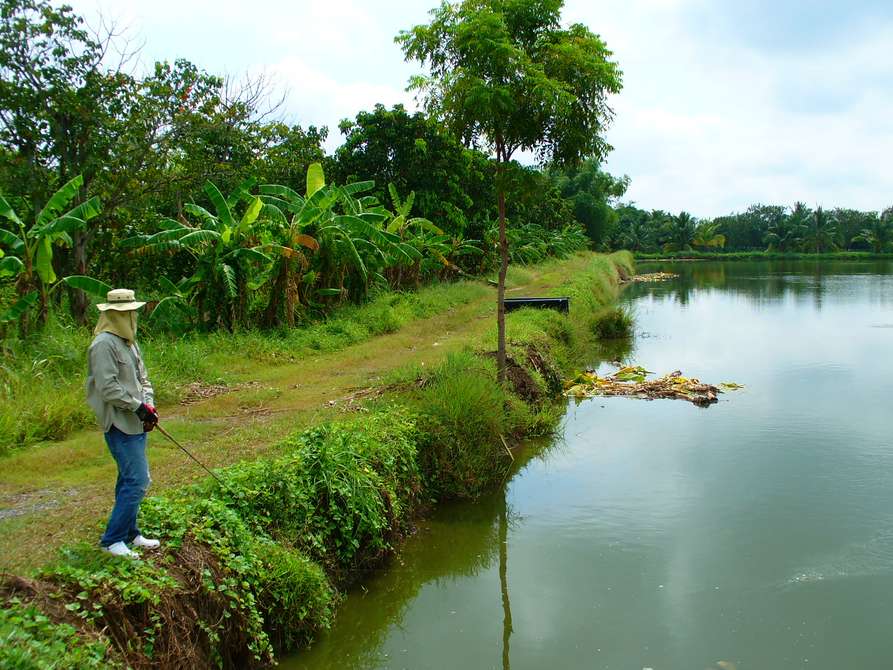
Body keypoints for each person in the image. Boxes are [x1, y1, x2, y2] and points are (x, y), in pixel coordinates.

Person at [86, 288, 161, 558]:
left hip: (138, 422)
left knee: (128, 479)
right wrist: (136, 406)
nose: (132, 317)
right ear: (113, 313)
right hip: (119, 423)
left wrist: (148, 405)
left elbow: (143, 378)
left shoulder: (130, 342)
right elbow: (108, 388)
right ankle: (112, 539)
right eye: (127, 312)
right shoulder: (103, 345)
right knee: (138, 480)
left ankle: (131, 533)